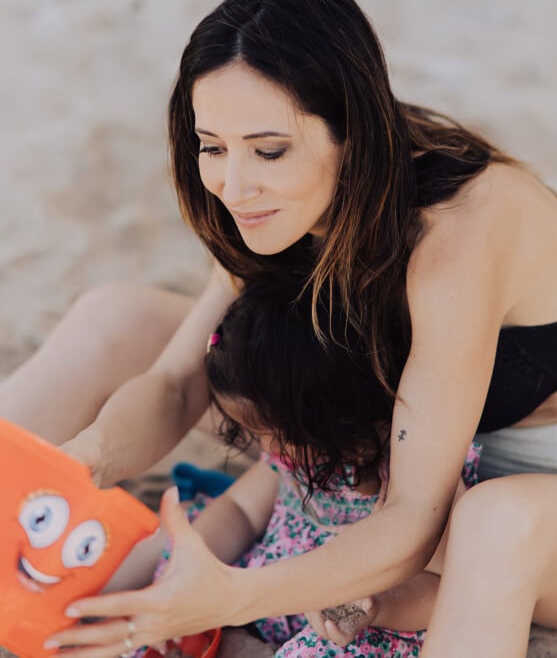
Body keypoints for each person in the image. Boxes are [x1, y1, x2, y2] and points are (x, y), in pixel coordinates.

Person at [1, 0, 557, 657]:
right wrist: (80, 462)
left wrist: (230, 596)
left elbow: (412, 522)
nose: (234, 185)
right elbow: (179, 385)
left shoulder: (459, 231)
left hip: (536, 494)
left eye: (268, 150)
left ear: (351, 134)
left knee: (495, 521)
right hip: (376, 438)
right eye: (211, 147)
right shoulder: (276, 198)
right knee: (113, 321)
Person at [117, 274, 479, 657]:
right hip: (266, 596)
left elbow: (446, 586)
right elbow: (238, 512)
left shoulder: (413, 470)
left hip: (354, 617)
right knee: (179, 540)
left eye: (273, 433)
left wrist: (380, 606)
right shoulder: (293, 457)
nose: (265, 447)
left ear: (329, 416)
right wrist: (187, 572)